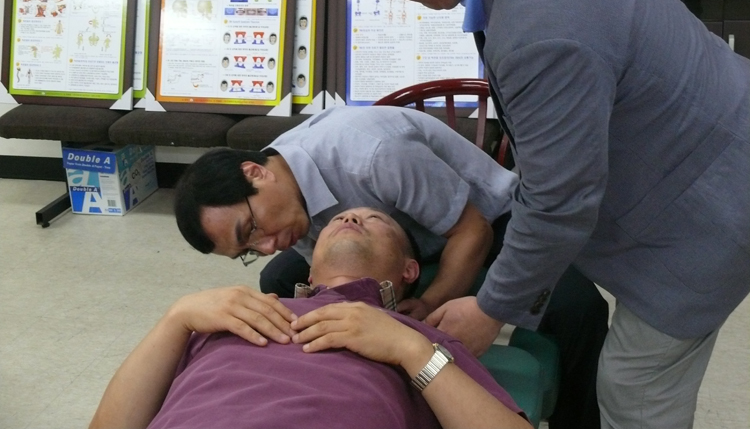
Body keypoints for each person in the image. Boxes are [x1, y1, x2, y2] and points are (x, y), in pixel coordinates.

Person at [300, 0, 750, 428]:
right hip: (705, 129)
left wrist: (492, 309)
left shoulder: (539, 22)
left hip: (711, 202)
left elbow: (560, 199)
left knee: (635, 389)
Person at [174, 105, 608, 428]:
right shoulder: (286, 203)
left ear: (256, 172)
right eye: (248, 248)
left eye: (251, 228)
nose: (267, 245)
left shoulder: (373, 154)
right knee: (277, 278)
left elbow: (472, 231)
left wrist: (427, 306)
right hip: (394, 242)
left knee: (578, 309)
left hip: (480, 223)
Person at [90, 208, 531, 429]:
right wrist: (176, 317)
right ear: (309, 269)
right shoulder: (229, 315)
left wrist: (409, 349)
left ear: (409, 271)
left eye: (375, 220)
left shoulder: (418, 340)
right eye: (339, 218)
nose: (352, 216)